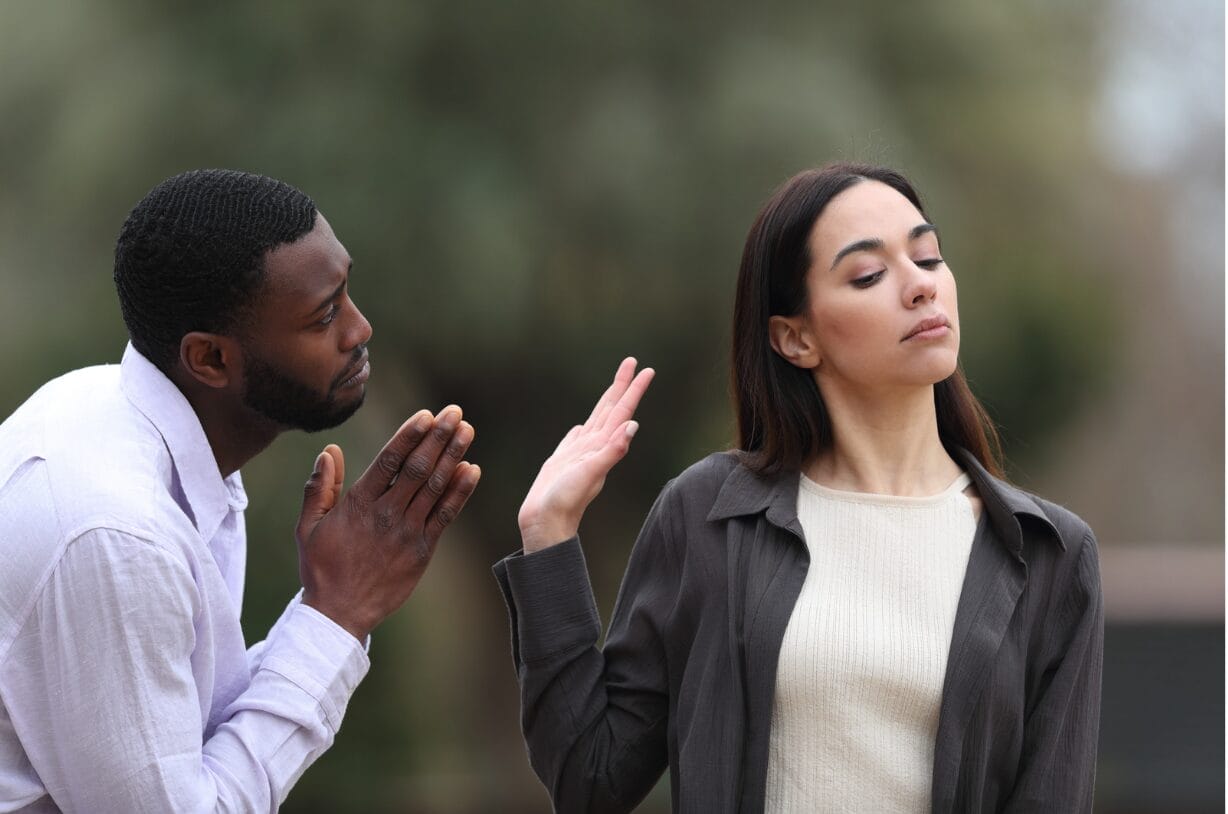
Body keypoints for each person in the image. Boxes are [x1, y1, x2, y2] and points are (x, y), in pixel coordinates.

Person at [495, 163, 1103, 813]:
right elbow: (591, 780)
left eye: (927, 257)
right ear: (795, 338)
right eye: (869, 274)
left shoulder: (1047, 554)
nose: (921, 286)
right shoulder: (710, 517)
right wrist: (549, 537)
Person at [0, 169, 482, 812]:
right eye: (324, 315)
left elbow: (178, 729)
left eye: (347, 292)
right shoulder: (118, 535)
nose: (360, 329)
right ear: (211, 360)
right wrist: (336, 615)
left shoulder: (115, 411)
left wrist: (326, 610)